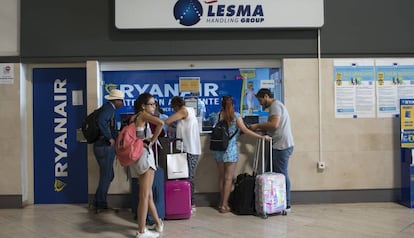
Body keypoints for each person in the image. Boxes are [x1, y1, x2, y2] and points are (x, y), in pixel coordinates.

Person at [211, 96, 271, 213]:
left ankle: (221, 203)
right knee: (229, 178)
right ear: (233, 105)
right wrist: (261, 137)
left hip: (218, 149)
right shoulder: (236, 116)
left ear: (222, 105)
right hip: (230, 150)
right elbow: (246, 130)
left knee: (222, 177)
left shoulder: (216, 115)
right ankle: (224, 205)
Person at [249, 88, 294, 211]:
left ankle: (287, 204)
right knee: (273, 174)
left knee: (281, 174)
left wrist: (257, 126)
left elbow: (274, 124)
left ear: (266, 96)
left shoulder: (275, 106)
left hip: (281, 146)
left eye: (260, 100)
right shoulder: (276, 105)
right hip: (280, 145)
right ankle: (273, 202)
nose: (260, 103)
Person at [129, 93, 165, 238]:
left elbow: (138, 136)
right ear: (143, 106)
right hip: (144, 156)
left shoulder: (134, 117)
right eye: (151, 104)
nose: (154, 106)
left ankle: (158, 223)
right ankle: (141, 231)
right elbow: (161, 123)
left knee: (147, 194)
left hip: (136, 157)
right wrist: (152, 140)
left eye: (154, 104)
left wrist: (147, 139)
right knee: (144, 196)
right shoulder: (143, 115)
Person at [164, 96, 201, 212]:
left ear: (176, 106)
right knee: (183, 176)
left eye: (173, 108)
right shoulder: (189, 111)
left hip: (190, 149)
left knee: (189, 176)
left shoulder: (184, 111)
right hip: (185, 149)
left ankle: (191, 202)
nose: (174, 111)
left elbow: (167, 121)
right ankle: (185, 201)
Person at [92, 89, 125, 211]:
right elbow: (101, 121)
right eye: (121, 101)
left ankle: (97, 200)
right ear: (116, 101)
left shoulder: (105, 108)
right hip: (104, 146)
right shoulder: (109, 109)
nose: (122, 104)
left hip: (100, 146)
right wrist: (109, 138)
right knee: (106, 176)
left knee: (108, 175)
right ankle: (100, 204)